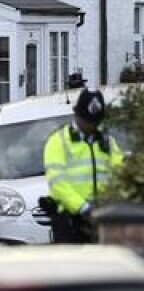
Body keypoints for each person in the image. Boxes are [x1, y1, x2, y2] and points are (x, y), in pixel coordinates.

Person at [43, 88, 124, 243]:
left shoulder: (107, 142)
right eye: (88, 121)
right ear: (77, 115)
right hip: (70, 219)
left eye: (96, 122)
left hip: (102, 217)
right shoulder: (58, 141)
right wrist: (83, 208)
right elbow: (58, 183)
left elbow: (120, 172)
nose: (92, 126)